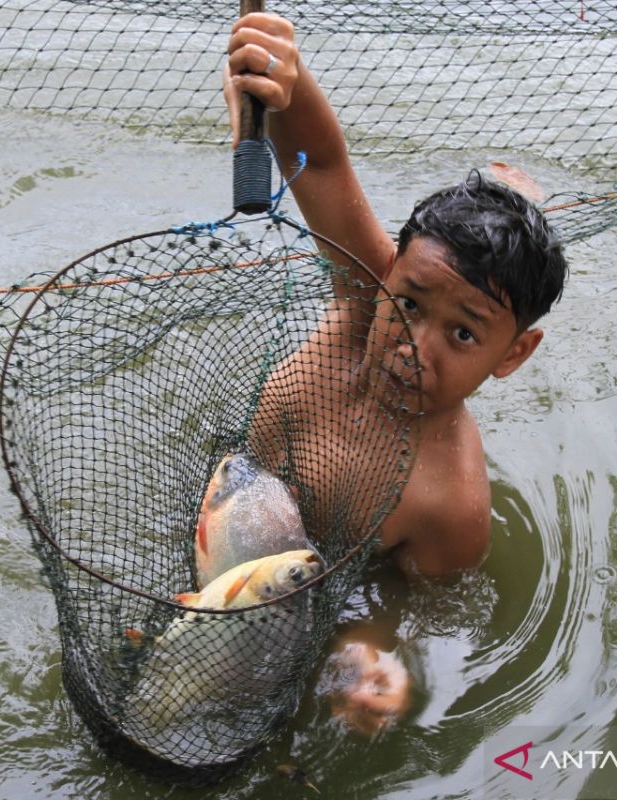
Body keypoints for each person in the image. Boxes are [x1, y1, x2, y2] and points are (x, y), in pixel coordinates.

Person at [225, 13, 568, 734]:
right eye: (409, 304)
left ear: (512, 355)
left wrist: (368, 660)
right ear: (389, 274)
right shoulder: (362, 295)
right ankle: (507, 193)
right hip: (234, 492)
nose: (415, 345)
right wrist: (289, 84)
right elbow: (321, 163)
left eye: (464, 333)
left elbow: (394, 600)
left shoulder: (453, 504)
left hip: (309, 573)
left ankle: (514, 196)